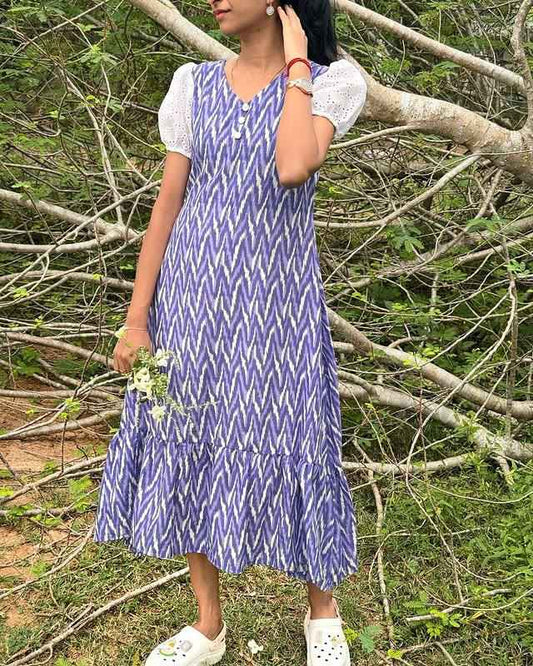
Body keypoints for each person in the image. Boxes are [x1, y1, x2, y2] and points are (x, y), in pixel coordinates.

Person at [93, 0, 367, 662]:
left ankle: (322, 615)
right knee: (189, 438)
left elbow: (293, 165)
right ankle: (209, 624)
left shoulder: (333, 82)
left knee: (298, 436)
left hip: (277, 307)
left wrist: (296, 65)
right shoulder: (193, 84)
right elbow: (167, 206)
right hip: (187, 304)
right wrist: (136, 318)